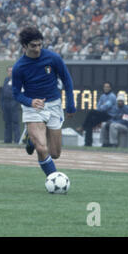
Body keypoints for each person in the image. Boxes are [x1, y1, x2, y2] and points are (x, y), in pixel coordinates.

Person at [12, 26, 76, 177]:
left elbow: (67, 80)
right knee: (42, 149)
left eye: (40, 44)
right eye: (33, 46)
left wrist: (71, 104)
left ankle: (31, 138)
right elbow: (16, 94)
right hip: (33, 107)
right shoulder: (19, 67)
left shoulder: (53, 58)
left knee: (54, 153)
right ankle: (54, 178)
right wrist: (30, 101)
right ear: (24, 46)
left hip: (54, 105)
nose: (37, 48)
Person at [77, 81, 116, 146]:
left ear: (110, 88)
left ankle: (83, 126)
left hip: (109, 115)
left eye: (107, 87)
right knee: (89, 124)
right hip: (102, 114)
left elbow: (105, 107)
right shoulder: (102, 96)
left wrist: (101, 107)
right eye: (105, 87)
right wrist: (101, 107)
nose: (106, 88)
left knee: (92, 112)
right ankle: (88, 143)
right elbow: (98, 107)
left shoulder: (112, 96)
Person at [1, 66, 20, 143]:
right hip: (6, 104)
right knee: (7, 122)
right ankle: (7, 140)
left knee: (15, 123)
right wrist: (2, 104)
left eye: (12, 71)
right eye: (9, 71)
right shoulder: (6, 80)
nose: (10, 73)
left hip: (14, 104)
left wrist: (15, 103)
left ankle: (17, 140)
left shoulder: (17, 80)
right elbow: (3, 93)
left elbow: (19, 93)